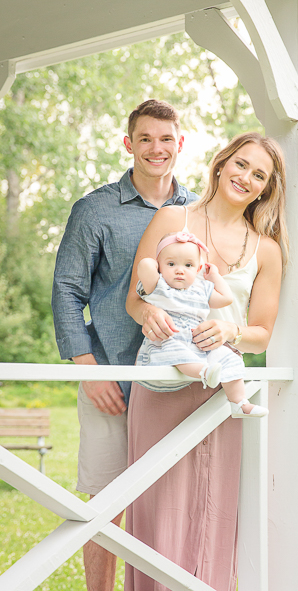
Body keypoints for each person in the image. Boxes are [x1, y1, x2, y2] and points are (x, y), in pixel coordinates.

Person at [123, 131, 287, 591]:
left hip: (221, 390)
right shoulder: (174, 217)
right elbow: (136, 298)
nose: (246, 178)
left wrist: (231, 330)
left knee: (213, 503)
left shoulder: (267, 249)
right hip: (161, 381)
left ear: (266, 189)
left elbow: (260, 334)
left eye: (259, 176)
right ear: (221, 164)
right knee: (157, 503)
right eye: (241, 165)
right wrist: (150, 310)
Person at [51, 98, 196, 591]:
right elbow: (67, 291)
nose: (157, 148)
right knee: (103, 502)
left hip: (179, 382)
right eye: (146, 138)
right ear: (128, 143)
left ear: (181, 143)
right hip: (110, 377)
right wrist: (89, 371)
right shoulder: (94, 211)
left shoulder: (195, 212)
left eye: (166, 138)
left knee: (176, 500)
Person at [133, 231, 266, 418]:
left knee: (229, 356)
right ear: (160, 266)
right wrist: (158, 262)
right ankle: (204, 372)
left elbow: (226, 298)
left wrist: (215, 277)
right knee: (177, 351)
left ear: (197, 269)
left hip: (198, 341)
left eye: (188, 265)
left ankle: (239, 403)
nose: (180, 270)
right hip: (169, 339)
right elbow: (144, 265)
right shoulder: (158, 286)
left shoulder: (201, 288)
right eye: (171, 264)